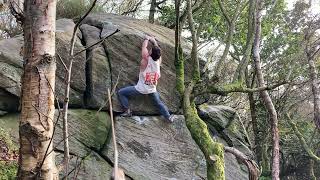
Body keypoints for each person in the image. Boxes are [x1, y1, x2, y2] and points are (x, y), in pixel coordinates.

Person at [117, 35, 174, 122]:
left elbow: (144, 46)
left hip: (140, 89)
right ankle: (168, 117)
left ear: (150, 53)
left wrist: (147, 38)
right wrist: (154, 41)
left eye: (150, 50)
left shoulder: (145, 60)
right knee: (159, 103)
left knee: (121, 92)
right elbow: (157, 51)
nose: (149, 49)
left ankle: (127, 111)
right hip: (152, 89)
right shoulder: (158, 62)